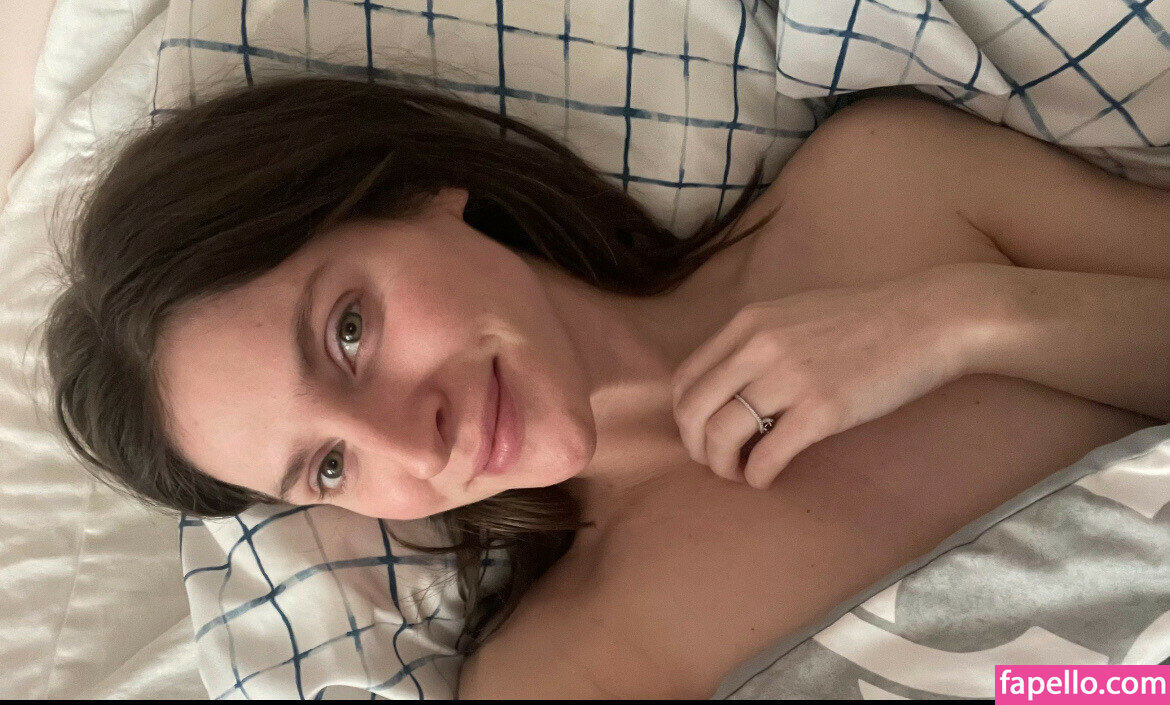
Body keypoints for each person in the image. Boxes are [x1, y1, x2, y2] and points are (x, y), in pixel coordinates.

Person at [43, 77, 1168, 698]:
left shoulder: (888, 188)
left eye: (348, 332)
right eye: (330, 465)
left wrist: (967, 319)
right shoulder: (561, 675)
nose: (411, 440)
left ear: (421, 190)